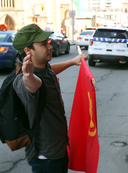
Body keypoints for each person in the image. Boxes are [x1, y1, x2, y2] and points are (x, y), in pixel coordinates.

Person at [12, 24, 88, 173]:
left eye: (48, 41)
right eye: (43, 44)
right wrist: (28, 76)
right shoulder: (24, 80)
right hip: (46, 160)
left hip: (59, 152)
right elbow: (33, 84)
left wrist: (72, 62)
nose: (50, 46)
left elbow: (51, 71)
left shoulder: (44, 69)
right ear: (28, 51)